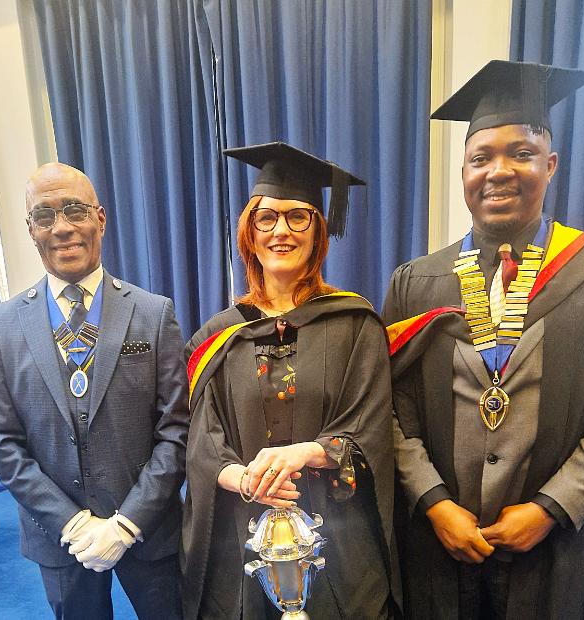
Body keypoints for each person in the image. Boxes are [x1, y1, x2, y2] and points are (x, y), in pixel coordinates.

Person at [382, 60, 584, 619]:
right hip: (442, 546)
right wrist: (433, 504)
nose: (499, 171)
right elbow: (391, 411)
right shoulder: (417, 281)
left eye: (521, 154)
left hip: (552, 549)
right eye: (481, 158)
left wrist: (554, 507)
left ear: (550, 165)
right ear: (463, 174)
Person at [183, 142, 398, 619]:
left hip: (337, 539)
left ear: (318, 232)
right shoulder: (218, 337)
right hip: (243, 540)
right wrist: (245, 480)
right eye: (267, 219)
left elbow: (371, 427)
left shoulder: (355, 324)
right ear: (249, 235)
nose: (281, 230)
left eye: (297, 217)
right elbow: (201, 440)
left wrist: (309, 452)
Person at [0, 163, 188, 619]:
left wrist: (128, 523)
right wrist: (70, 522)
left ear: (101, 219)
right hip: (59, 538)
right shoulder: (2, 323)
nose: (63, 228)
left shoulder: (153, 313)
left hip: (148, 531)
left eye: (75, 210)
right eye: (46, 216)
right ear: (30, 229)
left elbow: (177, 429)